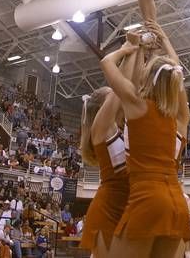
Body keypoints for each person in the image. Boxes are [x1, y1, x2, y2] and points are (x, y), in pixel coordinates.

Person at [100, 23, 190, 258]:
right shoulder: (180, 118)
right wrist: (166, 41)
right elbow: (177, 72)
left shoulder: (137, 105)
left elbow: (106, 63)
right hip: (178, 203)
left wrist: (129, 47)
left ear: (148, 78)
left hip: (147, 198)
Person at [80, 86, 131, 258]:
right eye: (112, 97)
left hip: (124, 206)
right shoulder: (102, 128)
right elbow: (120, 86)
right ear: (104, 108)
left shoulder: (119, 130)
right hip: (108, 209)